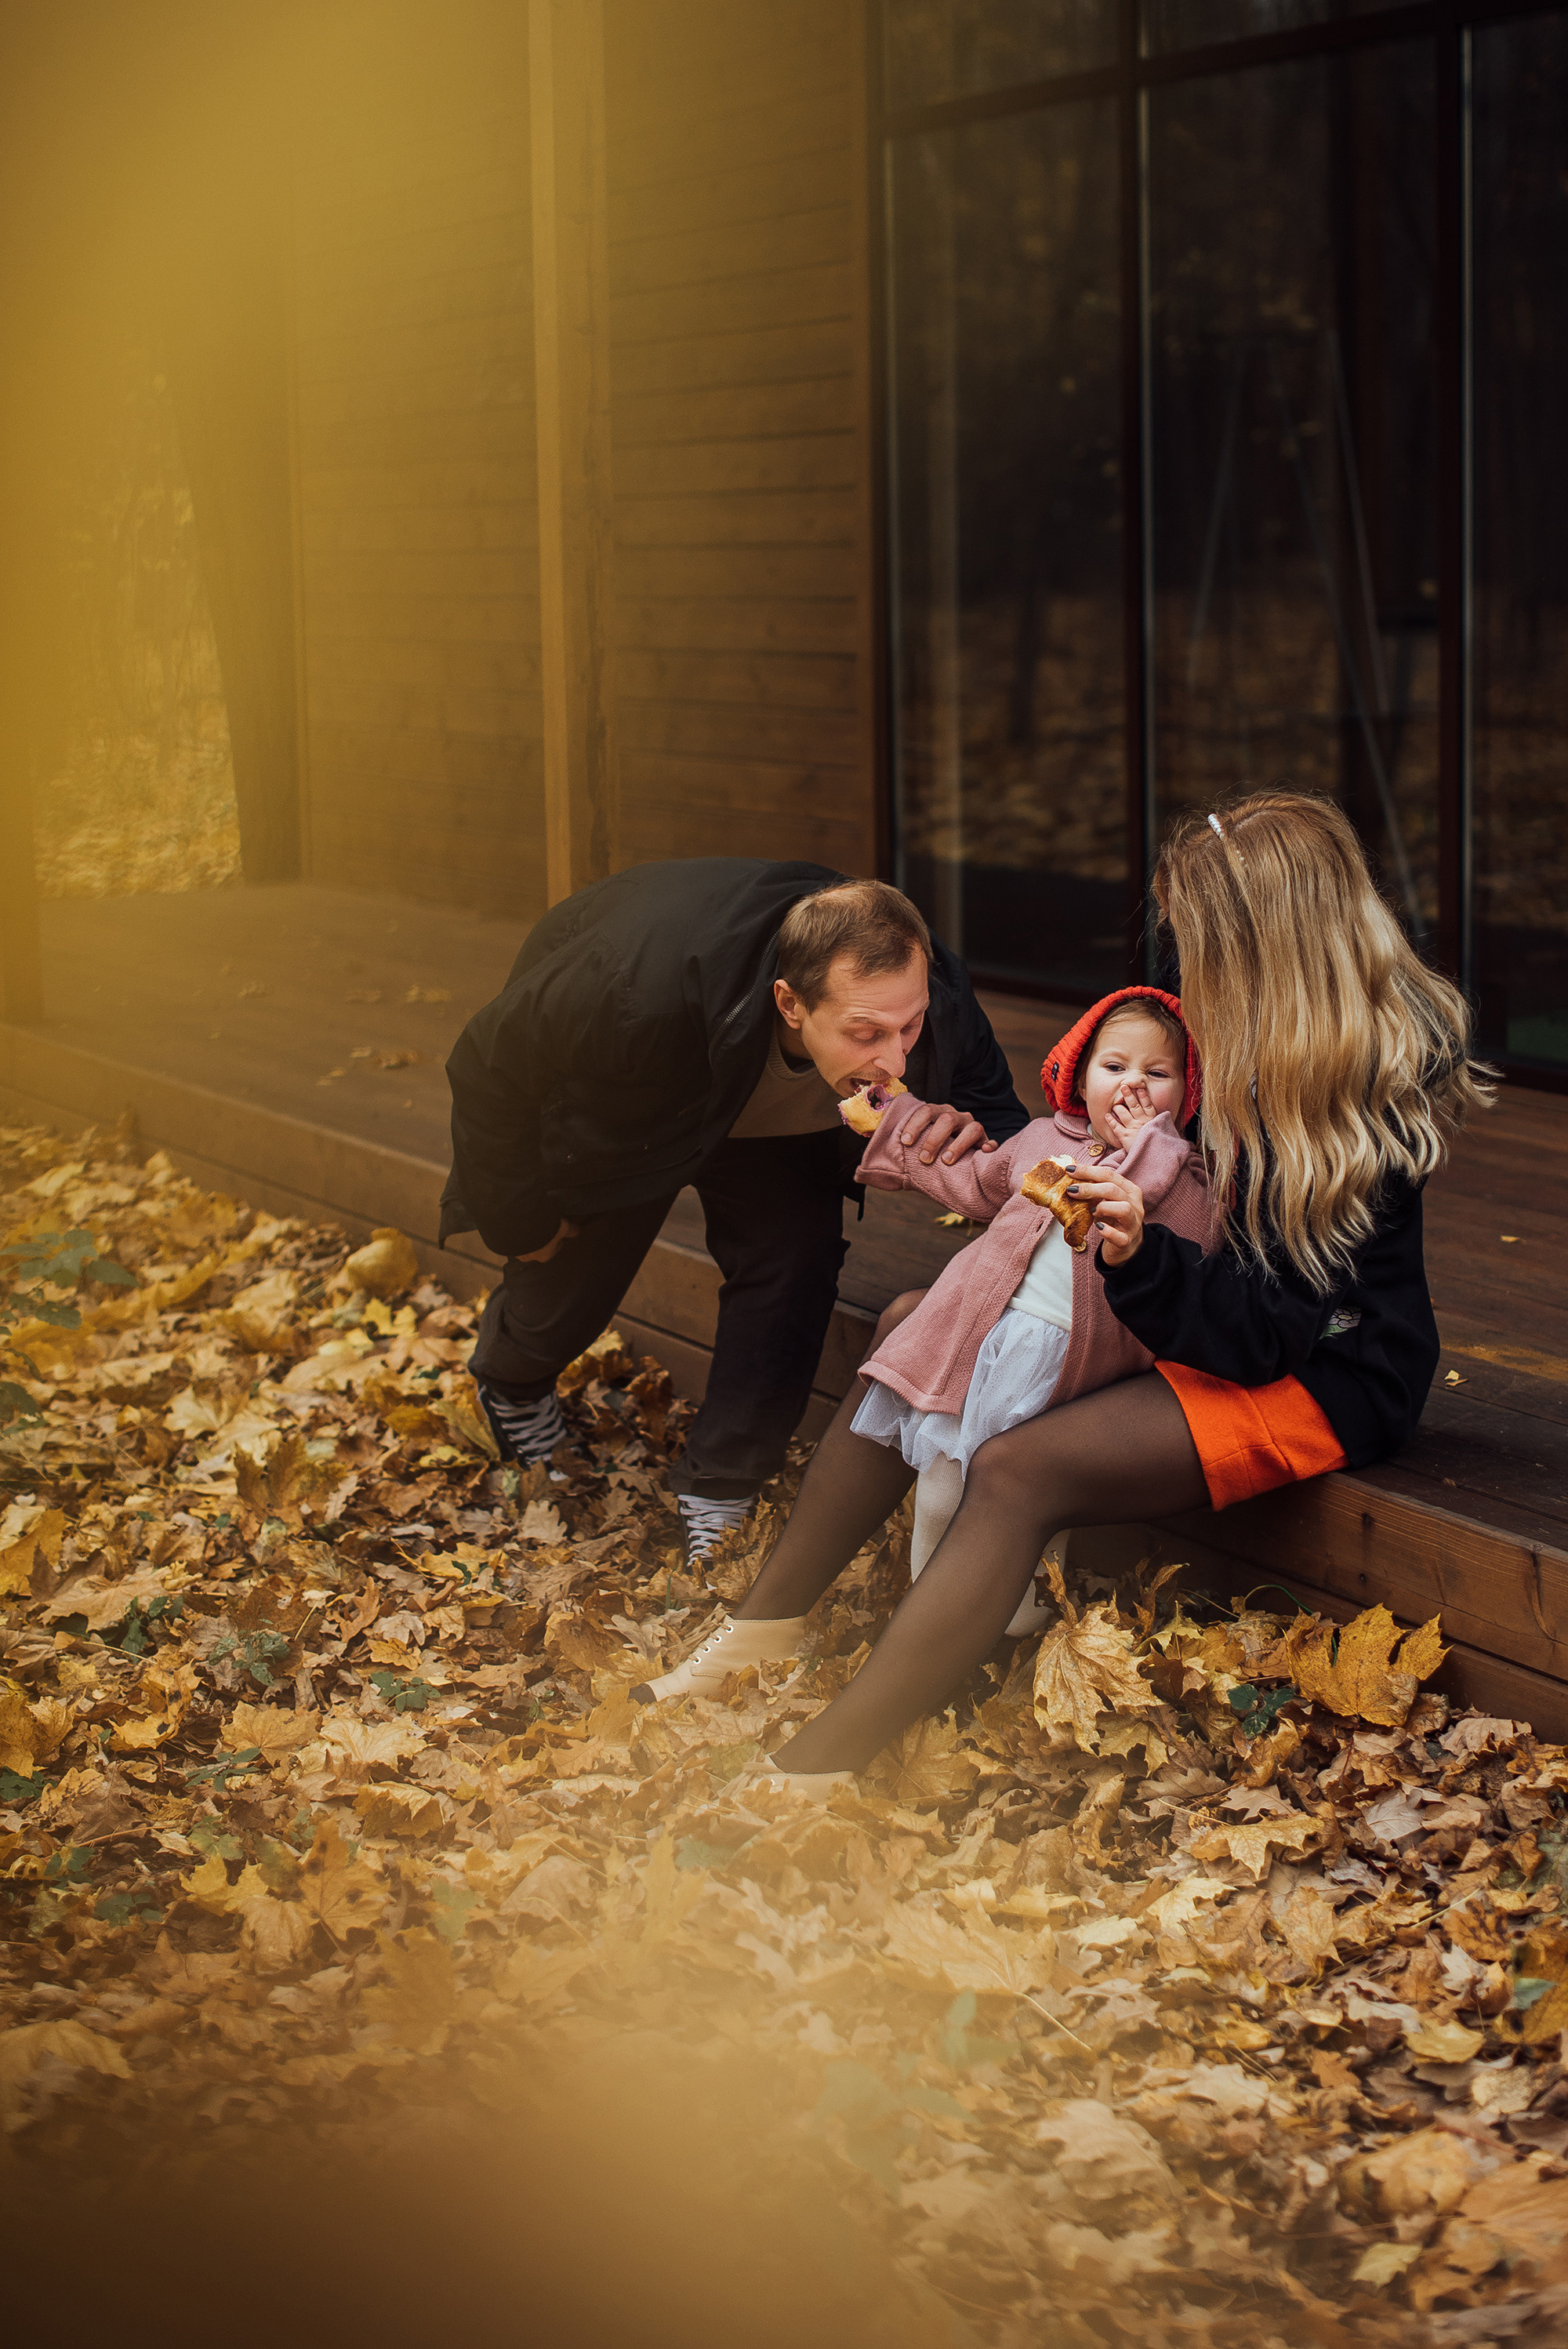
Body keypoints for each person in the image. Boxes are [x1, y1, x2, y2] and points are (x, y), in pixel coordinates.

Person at [644, 792, 1492, 1788]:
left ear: (1259, 952)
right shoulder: (1211, 1020)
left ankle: (820, 1765)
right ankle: (762, 1627)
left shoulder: (1355, 1096)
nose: (1180, 969)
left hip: (1314, 1365)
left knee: (1018, 1468)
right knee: (916, 1324)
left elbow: (1263, 1330)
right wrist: (981, 1146)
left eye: (1196, 944)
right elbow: (1107, 1130)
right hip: (1181, 1296)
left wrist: (1134, 1255)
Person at [439, 859, 1029, 1560]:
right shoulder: (633, 987)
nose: (897, 1060)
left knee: (795, 1261)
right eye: (866, 1033)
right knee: (572, 1258)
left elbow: (1005, 1130)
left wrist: (977, 1146)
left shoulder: (933, 989)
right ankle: (512, 1385)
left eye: (911, 1027)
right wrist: (517, 1216)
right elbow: (486, 1063)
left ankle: (722, 1483)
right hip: (640, 1101)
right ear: (790, 1003)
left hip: (777, 1133)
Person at [636, 987, 1209, 1697]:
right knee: (944, 1490)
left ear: (1186, 1094)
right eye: (1114, 1066)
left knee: (1032, 1508)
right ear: (1078, 1074)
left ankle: (998, 1633)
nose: (1132, 1086)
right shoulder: (1042, 1142)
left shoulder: (1182, 1178)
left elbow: (1174, 1221)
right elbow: (974, 1180)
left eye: (1157, 1074)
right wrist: (900, 1121)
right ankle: (940, 1636)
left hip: (1071, 1369)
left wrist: (1148, 1144)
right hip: (984, 1345)